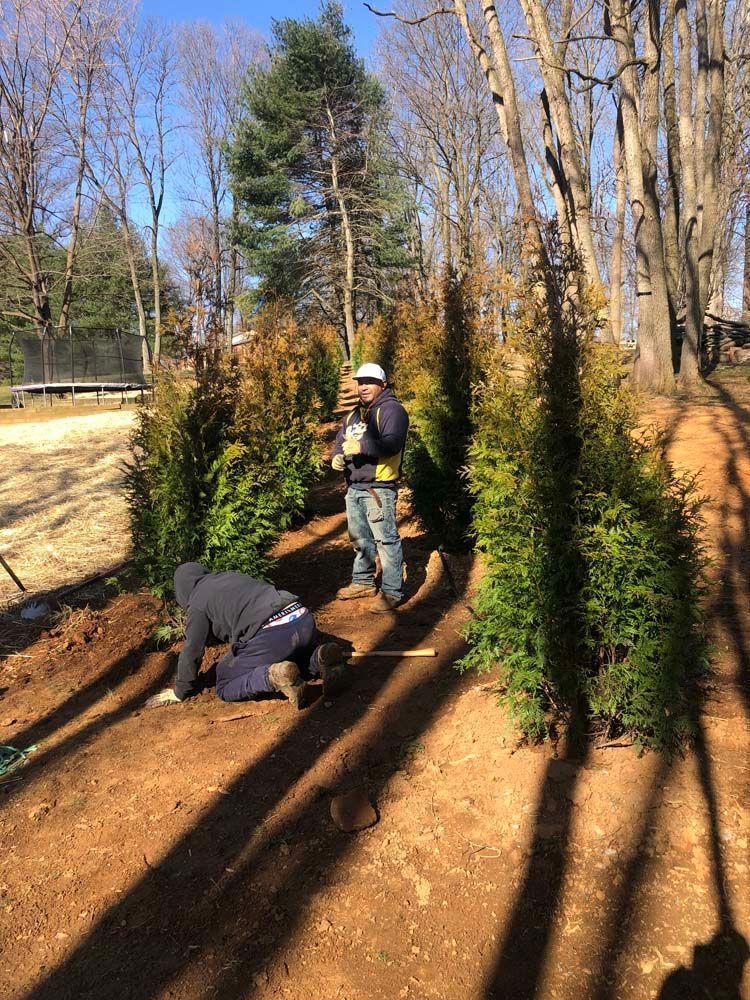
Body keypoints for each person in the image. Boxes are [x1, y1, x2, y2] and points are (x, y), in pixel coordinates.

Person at [145, 562, 347, 709]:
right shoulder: (228, 576)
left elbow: (192, 649)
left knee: (224, 683)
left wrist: (180, 691)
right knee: (286, 654)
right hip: (302, 618)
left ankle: (274, 677)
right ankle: (319, 658)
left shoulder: (197, 601)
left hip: (273, 634)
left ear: (182, 591)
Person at [331, 362, 409, 613]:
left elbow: (393, 443)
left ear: (382, 384)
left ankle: (392, 592)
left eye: (369, 382)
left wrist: (362, 448)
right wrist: (336, 455)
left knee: (386, 541)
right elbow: (340, 440)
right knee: (360, 539)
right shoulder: (354, 414)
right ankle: (363, 581)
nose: (363, 387)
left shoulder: (393, 410)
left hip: (379, 488)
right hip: (354, 486)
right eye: (360, 382)